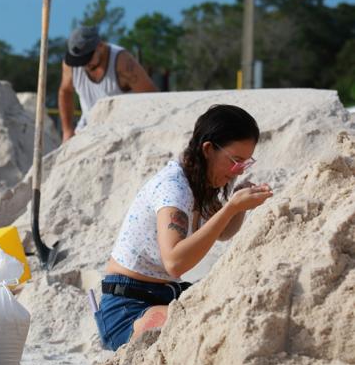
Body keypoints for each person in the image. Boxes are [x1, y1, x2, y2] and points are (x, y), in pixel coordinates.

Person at [95, 104, 274, 350]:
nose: (237, 171)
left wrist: (238, 207)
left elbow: (221, 233)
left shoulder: (199, 181)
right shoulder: (174, 188)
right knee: (194, 324)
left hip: (165, 294)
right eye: (235, 161)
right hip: (127, 306)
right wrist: (231, 207)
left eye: (245, 164)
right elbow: (175, 261)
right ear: (208, 149)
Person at [58, 25, 157, 142]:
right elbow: (65, 91)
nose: (84, 65)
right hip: (87, 129)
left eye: (87, 60)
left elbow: (152, 98)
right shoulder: (72, 65)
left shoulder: (122, 62)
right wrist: (67, 130)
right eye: (79, 61)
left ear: (100, 46)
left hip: (120, 132)